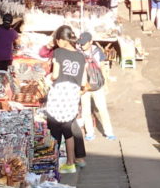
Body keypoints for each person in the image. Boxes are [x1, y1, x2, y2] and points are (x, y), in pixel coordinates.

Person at [44, 26, 88, 169]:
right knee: (68, 130)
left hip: (59, 93)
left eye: (58, 39)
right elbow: (83, 82)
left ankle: (54, 163)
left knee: (54, 129)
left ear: (63, 40)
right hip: (72, 94)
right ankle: (70, 163)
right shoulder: (81, 56)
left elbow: (55, 75)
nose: (56, 42)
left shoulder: (58, 52)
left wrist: (48, 77)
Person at [77, 32, 116, 141]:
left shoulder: (97, 51)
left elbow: (103, 67)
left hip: (98, 86)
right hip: (84, 86)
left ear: (91, 42)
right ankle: (90, 133)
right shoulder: (78, 52)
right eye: (81, 43)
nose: (82, 45)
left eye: (84, 43)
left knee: (102, 109)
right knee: (86, 111)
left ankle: (109, 132)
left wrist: (105, 84)